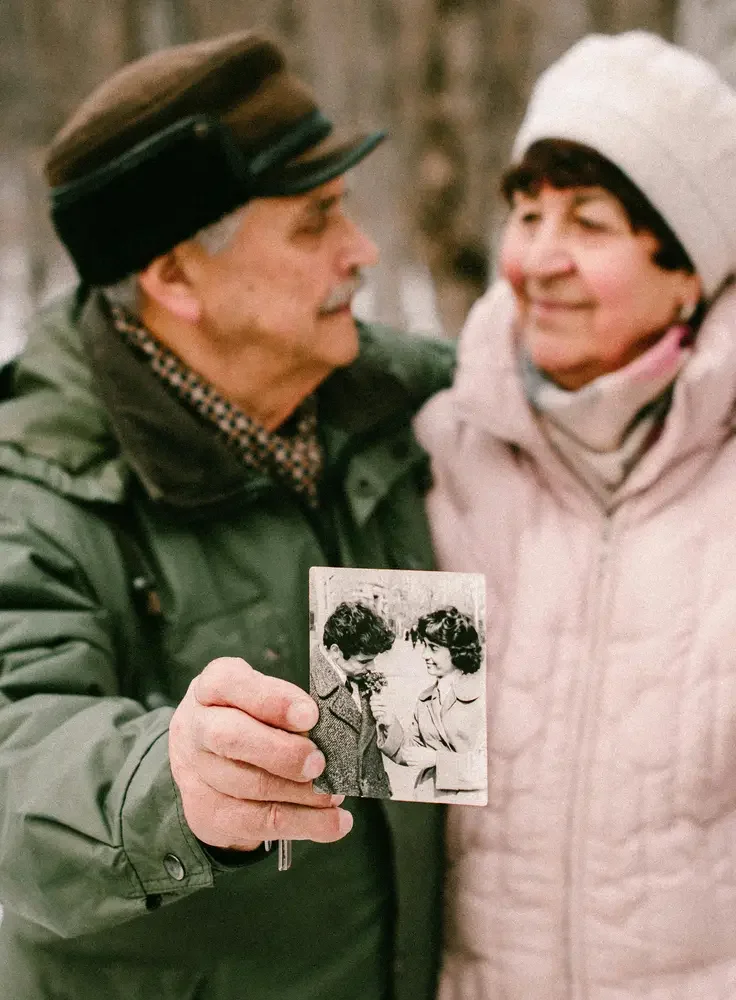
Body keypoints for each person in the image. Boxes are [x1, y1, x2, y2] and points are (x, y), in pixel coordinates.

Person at [0, 30, 455, 1000]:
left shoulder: (398, 410)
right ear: (174, 277)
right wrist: (167, 783)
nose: (362, 251)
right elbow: (16, 755)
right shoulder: (34, 489)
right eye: (314, 222)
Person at [415, 30, 736, 1000]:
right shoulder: (439, 457)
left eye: (589, 223)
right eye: (526, 215)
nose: (536, 260)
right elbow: (391, 800)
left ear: (689, 271)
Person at [372, 607, 486, 801]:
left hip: (467, 804)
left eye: (433, 648)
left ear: (456, 651)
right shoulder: (425, 699)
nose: (424, 654)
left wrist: (437, 760)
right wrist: (390, 723)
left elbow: (490, 769)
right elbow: (410, 753)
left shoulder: (481, 697)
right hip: (428, 798)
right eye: (425, 645)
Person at [310, 601, 395, 797]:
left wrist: (387, 723)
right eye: (364, 661)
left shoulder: (359, 674)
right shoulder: (309, 686)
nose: (372, 668)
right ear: (336, 651)